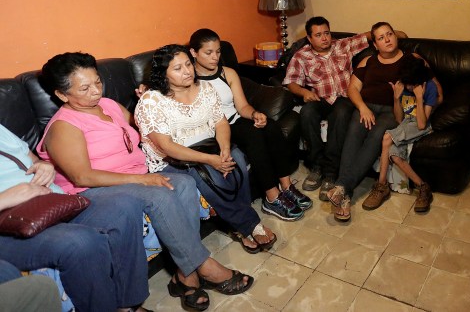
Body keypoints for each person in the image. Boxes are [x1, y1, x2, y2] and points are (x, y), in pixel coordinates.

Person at [36, 52, 253, 311]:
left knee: (183, 184)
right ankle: (203, 266)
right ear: (62, 95)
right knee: (159, 193)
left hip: (134, 177)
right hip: (94, 191)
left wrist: (150, 102)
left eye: (97, 81)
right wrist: (142, 179)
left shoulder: (107, 105)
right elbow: (82, 176)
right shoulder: (64, 126)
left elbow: (140, 126)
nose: (95, 90)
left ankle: (186, 276)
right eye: (84, 88)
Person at [134, 45, 277, 259]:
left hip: (207, 144)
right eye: (177, 68)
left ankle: (238, 224)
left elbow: (220, 122)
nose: (187, 71)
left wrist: (225, 149)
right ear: (163, 74)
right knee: (208, 173)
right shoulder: (151, 101)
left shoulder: (204, 89)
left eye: (188, 65)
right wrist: (211, 160)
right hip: (173, 159)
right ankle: (249, 224)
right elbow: (166, 146)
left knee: (236, 158)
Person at [0, 122, 151, 312]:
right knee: (81, 242)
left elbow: (33, 159)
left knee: (124, 207)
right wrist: (7, 198)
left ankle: (128, 304)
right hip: (9, 224)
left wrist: (44, 165)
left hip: (53, 203)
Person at [188, 28, 310, 221]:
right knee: (254, 136)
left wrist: (255, 114)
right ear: (194, 53)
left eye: (218, 52)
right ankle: (272, 198)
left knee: (269, 126)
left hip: (235, 120)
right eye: (208, 53)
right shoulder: (188, 79)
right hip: (215, 129)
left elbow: (242, 105)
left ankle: (286, 187)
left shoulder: (226, 73)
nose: (215, 58)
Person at [325, 22, 441, 222]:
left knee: (376, 137)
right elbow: (352, 89)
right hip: (366, 108)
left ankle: (342, 188)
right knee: (353, 134)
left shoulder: (412, 59)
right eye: (381, 37)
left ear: (396, 37)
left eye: (389, 34)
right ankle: (345, 194)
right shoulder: (368, 61)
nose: (387, 39)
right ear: (375, 44)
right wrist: (362, 107)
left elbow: (436, 90)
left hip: (391, 110)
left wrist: (427, 107)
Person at [282, 17, 372, 198]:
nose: (324, 38)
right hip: (320, 98)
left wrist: (398, 34)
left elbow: (368, 36)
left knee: (341, 112)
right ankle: (316, 166)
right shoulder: (301, 56)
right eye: (318, 35)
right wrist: (303, 92)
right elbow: (291, 82)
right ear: (309, 38)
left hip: (344, 98)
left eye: (327, 33)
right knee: (307, 113)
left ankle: (331, 172)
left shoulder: (343, 45)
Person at [361, 54, 437, 213]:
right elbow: (398, 119)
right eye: (406, 84)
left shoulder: (429, 87)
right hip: (405, 124)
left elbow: (422, 124)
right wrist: (396, 98)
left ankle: (381, 186)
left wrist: (419, 97)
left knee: (387, 137)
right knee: (394, 154)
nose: (408, 87)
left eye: (411, 85)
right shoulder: (403, 85)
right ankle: (423, 187)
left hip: (421, 125)